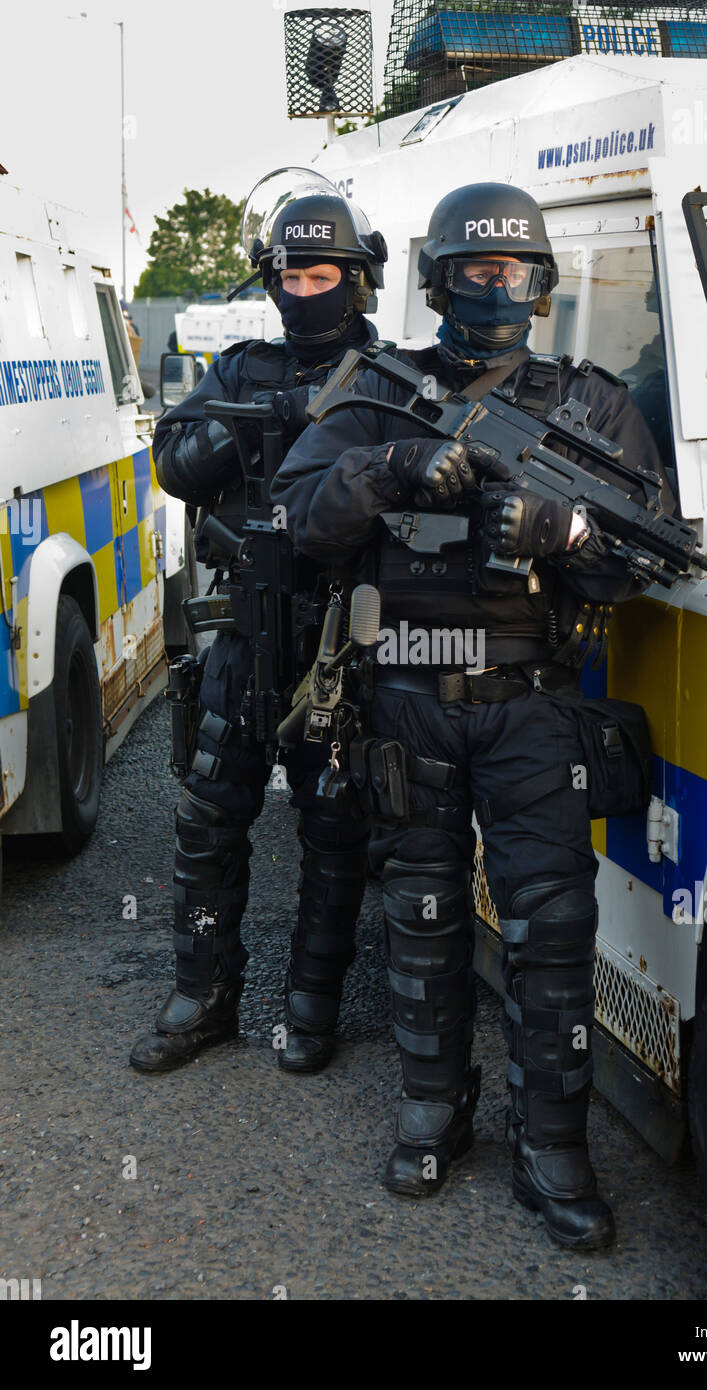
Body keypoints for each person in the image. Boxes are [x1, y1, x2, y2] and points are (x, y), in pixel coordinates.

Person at [270, 182, 674, 1250]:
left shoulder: (589, 407)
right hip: (403, 697)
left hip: (530, 705)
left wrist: (567, 529)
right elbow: (295, 514)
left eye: (511, 273)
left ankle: (552, 1146)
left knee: (551, 930)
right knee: (423, 915)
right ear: (438, 280)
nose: (493, 291)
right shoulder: (381, 391)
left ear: (538, 284)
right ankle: (431, 1108)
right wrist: (387, 465)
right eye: (472, 272)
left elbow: (649, 557)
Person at [130, 170, 387, 1077]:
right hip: (244, 636)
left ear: (357, 280)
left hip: (337, 649)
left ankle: (312, 1005)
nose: (306, 294)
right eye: (292, 278)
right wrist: (257, 423)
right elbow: (172, 462)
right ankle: (201, 999)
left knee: (334, 830)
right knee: (207, 821)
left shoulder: (390, 376)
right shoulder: (242, 366)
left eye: (324, 278)